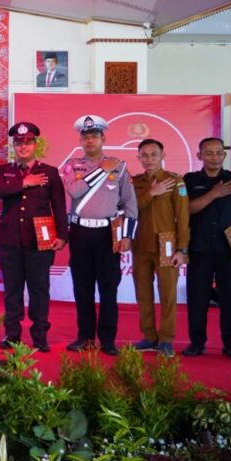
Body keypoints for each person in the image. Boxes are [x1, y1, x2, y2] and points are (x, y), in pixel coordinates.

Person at [62, 115, 138, 356]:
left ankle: (107, 340)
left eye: (94, 136)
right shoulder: (72, 165)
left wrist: (127, 236)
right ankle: (85, 337)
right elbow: (74, 191)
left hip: (108, 234)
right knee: (82, 287)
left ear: (103, 138)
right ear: (80, 140)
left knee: (108, 288)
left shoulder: (119, 166)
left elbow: (130, 204)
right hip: (80, 233)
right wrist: (101, 171)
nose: (90, 141)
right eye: (85, 137)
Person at [0, 122, 68, 353]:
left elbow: (59, 206)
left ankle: (40, 335)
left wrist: (62, 236)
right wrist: (24, 182)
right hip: (10, 241)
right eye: (18, 143)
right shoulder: (4, 171)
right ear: (13, 146)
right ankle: (12, 334)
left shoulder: (49, 172)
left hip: (40, 242)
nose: (23, 147)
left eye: (27, 142)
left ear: (36, 144)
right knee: (12, 291)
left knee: (39, 289)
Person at [182, 137, 231, 360]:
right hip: (199, 248)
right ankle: (196, 343)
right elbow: (185, 210)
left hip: (230, 249)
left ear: (224, 155)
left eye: (218, 152)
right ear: (199, 156)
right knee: (197, 298)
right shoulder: (190, 180)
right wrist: (214, 193)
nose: (214, 157)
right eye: (209, 153)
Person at [130, 139, 189, 355]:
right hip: (140, 244)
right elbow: (130, 208)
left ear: (163, 156)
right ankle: (148, 336)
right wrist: (151, 192)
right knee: (143, 294)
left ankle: (166, 339)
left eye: (154, 154)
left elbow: (183, 217)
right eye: (144, 155)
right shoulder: (134, 182)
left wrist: (182, 249)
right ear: (138, 158)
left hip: (167, 244)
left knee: (168, 295)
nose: (149, 159)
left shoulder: (175, 181)